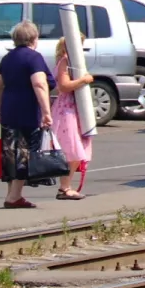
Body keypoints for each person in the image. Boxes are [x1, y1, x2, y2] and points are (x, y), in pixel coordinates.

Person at [0, 20, 52, 209]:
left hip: (9, 108)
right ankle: (14, 197)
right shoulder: (34, 58)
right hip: (27, 110)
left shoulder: (7, 58)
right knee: (24, 152)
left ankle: (11, 193)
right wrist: (46, 112)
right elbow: (39, 84)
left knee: (10, 152)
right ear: (34, 38)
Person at [50, 37, 95, 200]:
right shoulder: (65, 61)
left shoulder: (68, 61)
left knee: (74, 149)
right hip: (66, 109)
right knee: (73, 149)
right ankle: (65, 187)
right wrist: (84, 80)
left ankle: (66, 186)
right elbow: (64, 85)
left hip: (71, 108)